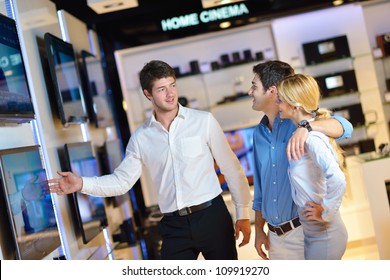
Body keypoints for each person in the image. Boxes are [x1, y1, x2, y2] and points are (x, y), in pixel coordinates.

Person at [48, 60, 252, 260]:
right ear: (148, 94)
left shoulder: (203, 121)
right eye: (162, 89)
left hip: (212, 217)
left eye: (172, 85)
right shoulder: (141, 137)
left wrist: (243, 213)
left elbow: (232, 169)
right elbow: (121, 182)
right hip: (174, 226)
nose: (171, 93)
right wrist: (81, 183)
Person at [248, 60, 353, 260]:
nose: (249, 91)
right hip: (275, 238)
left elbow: (345, 127)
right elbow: (261, 188)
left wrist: (307, 127)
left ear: (272, 91)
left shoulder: (297, 123)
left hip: (303, 230)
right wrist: (260, 229)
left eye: (254, 86)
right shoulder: (258, 133)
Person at [277, 73, 348, 259]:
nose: (278, 105)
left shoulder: (312, 138)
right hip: (313, 230)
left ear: (295, 106)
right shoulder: (301, 132)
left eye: (280, 101)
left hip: (325, 231)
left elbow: (338, 178)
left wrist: (325, 211)